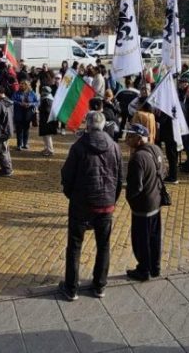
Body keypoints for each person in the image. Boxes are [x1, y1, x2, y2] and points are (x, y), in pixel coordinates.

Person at [59, 111, 124, 301]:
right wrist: (112, 199)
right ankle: (99, 285)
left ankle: (71, 288)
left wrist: (72, 196)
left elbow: (67, 176)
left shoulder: (79, 147)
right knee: (103, 245)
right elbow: (120, 179)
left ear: (87, 125)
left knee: (75, 246)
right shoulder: (114, 147)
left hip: (82, 204)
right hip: (105, 204)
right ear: (103, 126)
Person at [124, 123, 164, 282]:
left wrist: (131, 199)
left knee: (141, 240)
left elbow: (135, 187)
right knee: (154, 237)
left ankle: (144, 269)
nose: (127, 139)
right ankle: (155, 266)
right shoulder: (156, 149)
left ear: (139, 139)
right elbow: (163, 171)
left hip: (143, 206)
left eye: (130, 136)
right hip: (156, 201)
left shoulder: (138, 158)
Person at [13, 80, 38, 150]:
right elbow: (12, 100)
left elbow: (36, 102)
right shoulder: (16, 93)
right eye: (20, 85)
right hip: (19, 113)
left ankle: (25, 143)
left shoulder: (32, 93)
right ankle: (19, 144)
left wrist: (30, 104)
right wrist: (19, 103)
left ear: (26, 86)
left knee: (26, 130)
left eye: (22, 85)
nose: (20, 86)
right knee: (19, 130)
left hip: (28, 114)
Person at [37, 86, 58, 156]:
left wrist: (39, 108)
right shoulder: (46, 98)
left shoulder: (48, 99)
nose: (41, 92)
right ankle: (46, 148)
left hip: (47, 121)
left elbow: (47, 110)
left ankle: (50, 150)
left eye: (43, 91)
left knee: (47, 136)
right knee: (45, 135)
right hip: (45, 120)